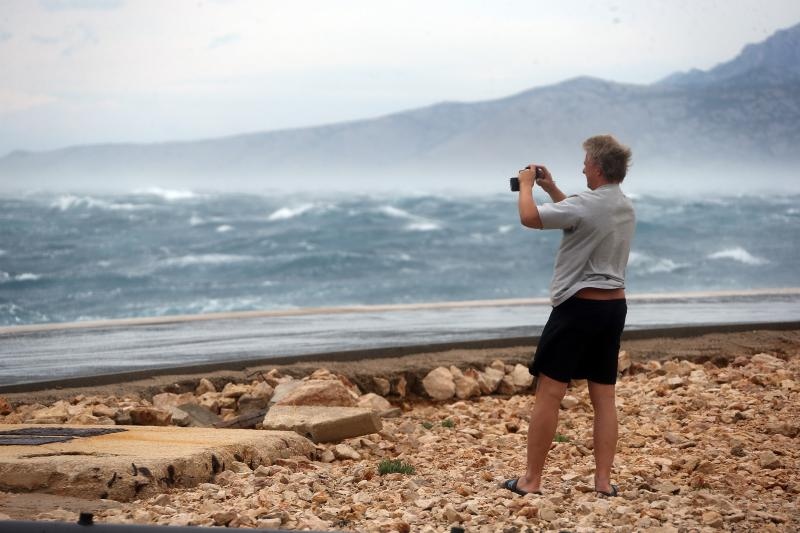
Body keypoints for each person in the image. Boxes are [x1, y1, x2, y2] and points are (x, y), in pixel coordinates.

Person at [502, 134, 636, 497]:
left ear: (596, 167)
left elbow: (530, 218)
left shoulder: (586, 205)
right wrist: (552, 187)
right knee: (604, 396)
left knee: (549, 391)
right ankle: (603, 481)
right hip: (613, 308)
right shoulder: (622, 206)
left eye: (586, 162)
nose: (582, 167)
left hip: (578, 308)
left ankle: (530, 480)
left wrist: (527, 187)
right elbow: (577, 215)